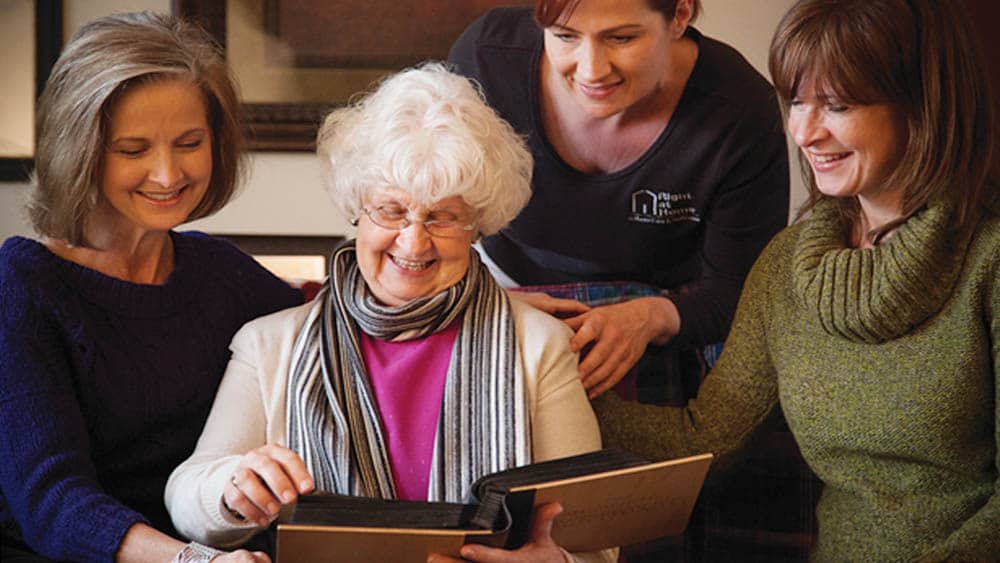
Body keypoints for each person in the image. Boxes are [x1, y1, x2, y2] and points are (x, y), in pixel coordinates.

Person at [594, 0, 1000, 560]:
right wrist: (547, 391)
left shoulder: (990, 260)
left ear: (921, 106)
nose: (802, 131)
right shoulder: (788, 265)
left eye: (836, 105)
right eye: (797, 101)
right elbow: (707, 437)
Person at [165, 63, 614, 563]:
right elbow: (187, 498)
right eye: (392, 211)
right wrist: (231, 488)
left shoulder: (539, 345)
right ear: (356, 209)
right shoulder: (269, 344)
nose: (414, 241)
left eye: (443, 216)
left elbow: (591, 540)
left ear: (478, 226)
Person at [0, 12, 303, 563]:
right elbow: (53, 504)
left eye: (189, 142)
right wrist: (193, 562)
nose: (167, 175)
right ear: (81, 151)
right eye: (133, 150)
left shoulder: (220, 271)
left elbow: (345, 332)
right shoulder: (23, 286)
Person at [448, 0, 789, 403]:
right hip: (510, 294)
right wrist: (491, 304)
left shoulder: (739, 111)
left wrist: (651, 315)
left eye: (621, 38)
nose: (592, 70)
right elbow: (434, 218)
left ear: (680, 15)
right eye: (565, 37)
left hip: (677, 315)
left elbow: (736, 291)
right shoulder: (487, 60)